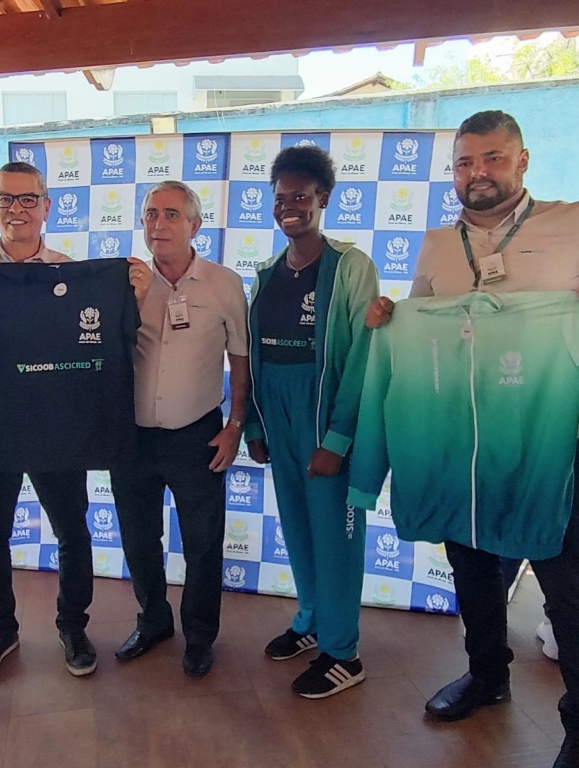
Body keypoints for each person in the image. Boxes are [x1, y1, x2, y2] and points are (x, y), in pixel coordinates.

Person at [365, 110, 579, 768]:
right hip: (460, 444)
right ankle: (487, 677)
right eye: (463, 163)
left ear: (522, 161)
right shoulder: (436, 244)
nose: (477, 173)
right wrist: (389, 315)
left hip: (549, 446)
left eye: (492, 158)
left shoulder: (577, 221)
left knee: (569, 585)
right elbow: (420, 318)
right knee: (473, 571)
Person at [0, 161, 152, 682]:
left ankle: (73, 627)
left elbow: (106, 348)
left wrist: (131, 296)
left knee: (72, 531)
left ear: (47, 207)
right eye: (5, 199)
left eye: (28, 199)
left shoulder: (72, 273)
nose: (17, 210)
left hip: (57, 427)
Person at [245, 146, 379, 698]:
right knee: (297, 528)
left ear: (323, 198)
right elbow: (254, 355)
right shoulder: (267, 273)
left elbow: (365, 357)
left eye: (299, 197)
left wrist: (338, 437)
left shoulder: (350, 266)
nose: (288, 208)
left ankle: (343, 652)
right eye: (280, 199)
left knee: (336, 536)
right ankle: (312, 620)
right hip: (277, 413)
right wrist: (255, 426)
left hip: (325, 418)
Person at [110, 180, 249, 678]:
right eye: (150, 214)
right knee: (139, 538)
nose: (158, 223)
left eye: (171, 214)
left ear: (195, 225)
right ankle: (153, 622)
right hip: (132, 438)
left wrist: (235, 426)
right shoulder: (125, 283)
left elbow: (241, 360)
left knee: (202, 543)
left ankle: (200, 636)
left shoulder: (224, 284)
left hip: (198, 435)